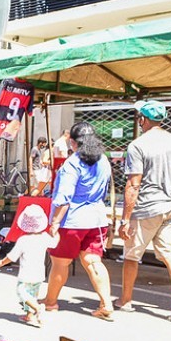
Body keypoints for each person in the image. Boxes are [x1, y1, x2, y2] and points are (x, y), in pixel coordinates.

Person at [116, 100, 171, 323]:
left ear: (143, 119)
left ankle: (125, 300)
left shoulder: (137, 146)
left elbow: (133, 184)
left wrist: (124, 219)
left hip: (146, 209)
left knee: (132, 256)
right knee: (170, 255)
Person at [42, 122, 115, 320]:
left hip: (72, 221)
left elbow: (65, 197)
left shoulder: (72, 163)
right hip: (97, 219)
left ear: (73, 143)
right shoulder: (104, 160)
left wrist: (55, 222)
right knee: (93, 261)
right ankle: (106, 303)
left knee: (60, 263)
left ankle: (51, 302)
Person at [0, 203, 59, 327]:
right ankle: (29, 316)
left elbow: (12, 256)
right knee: (32, 295)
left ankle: (38, 309)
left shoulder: (23, 240)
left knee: (22, 293)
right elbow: (54, 243)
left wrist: (2, 262)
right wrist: (56, 233)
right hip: (39, 274)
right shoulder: (44, 237)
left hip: (26, 275)